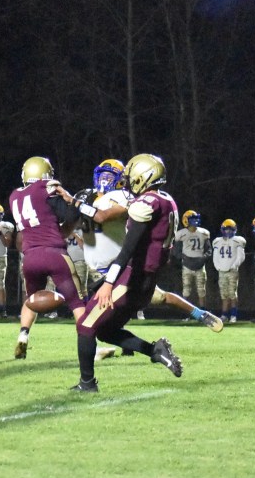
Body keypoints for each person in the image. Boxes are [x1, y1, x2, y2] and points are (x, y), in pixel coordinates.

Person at [72, 154, 192, 392]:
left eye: (131, 174)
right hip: (146, 280)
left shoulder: (145, 203)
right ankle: (155, 350)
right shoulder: (167, 200)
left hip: (131, 278)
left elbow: (128, 250)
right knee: (105, 331)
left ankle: (87, 384)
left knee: (85, 325)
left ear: (143, 175)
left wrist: (108, 283)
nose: (128, 179)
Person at [78, 158, 223, 343]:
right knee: (118, 310)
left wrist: (76, 204)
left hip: (120, 266)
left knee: (103, 314)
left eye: (110, 176)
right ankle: (129, 344)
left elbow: (102, 217)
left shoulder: (125, 197)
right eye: (102, 176)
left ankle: (199, 314)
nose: (104, 180)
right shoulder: (93, 197)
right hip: (107, 266)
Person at [9, 156, 89, 359]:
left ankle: (23, 335)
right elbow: (70, 215)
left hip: (30, 257)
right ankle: (91, 347)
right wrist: (74, 205)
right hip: (54, 254)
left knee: (31, 300)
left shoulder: (15, 196)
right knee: (77, 301)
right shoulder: (46, 188)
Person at [173, 210, 211, 307]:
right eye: (193, 219)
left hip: (200, 265)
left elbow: (209, 250)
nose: (195, 221)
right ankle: (186, 311)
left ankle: (203, 311)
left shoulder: (204, 233)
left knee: (201, 290)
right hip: (187, 265)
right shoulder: (181, 234)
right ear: (186, 220)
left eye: (196, 218)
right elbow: (176, 251)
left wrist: (202, 258)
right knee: (186, 290)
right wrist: (184, 258)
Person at [212, 219, 246, 323]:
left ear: (234, 229)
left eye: (230, 229)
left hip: (232, 271)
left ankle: (233, 315)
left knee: (232, 293)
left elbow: (241, 256)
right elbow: (215, 256)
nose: (228, 231)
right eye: (226, 229)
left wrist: (234, 266)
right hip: (222, 271)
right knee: (224, 294)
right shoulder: (217, 241)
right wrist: (217, 266)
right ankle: (224, 315)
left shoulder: (238, 240)